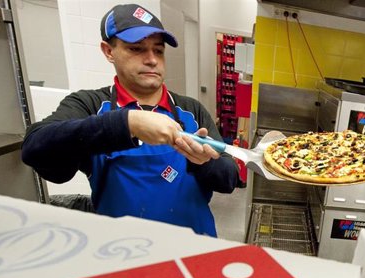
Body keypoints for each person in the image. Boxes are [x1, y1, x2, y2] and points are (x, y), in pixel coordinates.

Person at [22, 4, 240, 237]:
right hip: (125, 253)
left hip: (195, 249)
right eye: (136, 49)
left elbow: (229, 178)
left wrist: (204, 162)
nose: (151, 60)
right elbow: (35, 146)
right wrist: (128, 123)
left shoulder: (189, 111)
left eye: (158, 51)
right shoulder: (92, 105)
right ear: (108, 51)